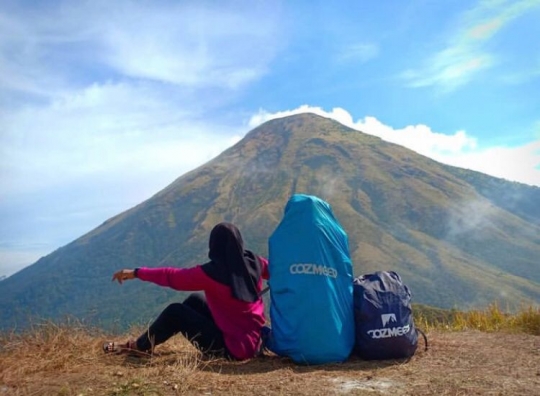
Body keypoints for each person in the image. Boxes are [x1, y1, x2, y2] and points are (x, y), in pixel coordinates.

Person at [103, 222, 269, 360]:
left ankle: (138, 347)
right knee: (194, 301)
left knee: (175, 312)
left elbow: (172, 277)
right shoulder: (255, 262)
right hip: (256, 342)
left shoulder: (211, 274)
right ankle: (148, 341)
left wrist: (136, 272)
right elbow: (279, 271)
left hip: (234, 351)